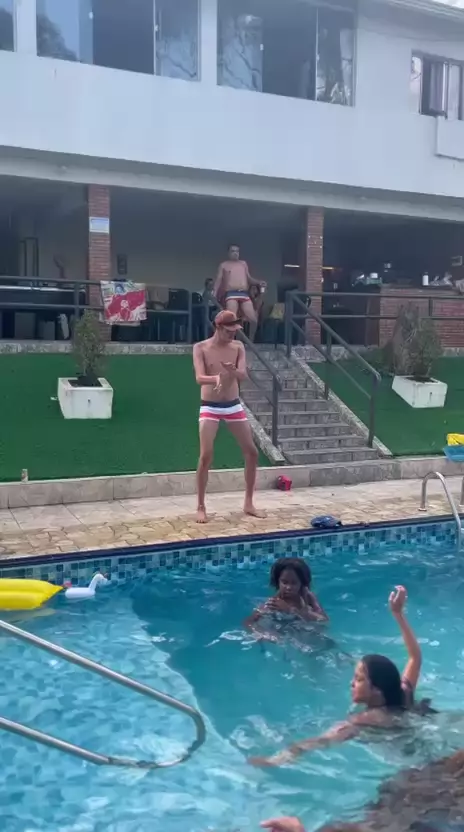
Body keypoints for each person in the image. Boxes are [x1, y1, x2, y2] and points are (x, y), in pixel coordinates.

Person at [250, 585, 422, 766]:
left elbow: (320, 741)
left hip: (412, 763)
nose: (352, 683)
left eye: (359, 679)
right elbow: (415, 657)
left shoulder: (365, 720)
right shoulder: (403, 693)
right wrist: (398, 614)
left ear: (377, 690)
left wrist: (273, 761)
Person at [193, 309, 264, 524]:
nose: (232, 334)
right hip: (210, 406)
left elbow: (243, 375)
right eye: (228, 331)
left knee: (252, 452)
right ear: (218, 327)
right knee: (206, 455)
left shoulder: (238, 347)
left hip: (233, 405)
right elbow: (199, 377)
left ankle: (249, 503)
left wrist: (233, 371)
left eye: (235, 331)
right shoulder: (201, 347)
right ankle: (201, 506)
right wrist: (214, 378)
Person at [244, 557, 328, 635]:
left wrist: (290, 610)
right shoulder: (275, 602)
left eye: (294, 583)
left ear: (302, 583)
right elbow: (248, 622)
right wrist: (260, 633)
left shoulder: (308, 596)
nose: (288, 587)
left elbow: (324, 621)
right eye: (284, 582)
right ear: (278, 582)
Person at [213, 244, 266, 337]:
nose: (235, 253)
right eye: (233, 251)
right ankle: (231, 340)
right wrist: (214, 292)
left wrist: (259, 282)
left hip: (244, 293)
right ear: (228, 253)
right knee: (232, 319)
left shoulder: (243, 264)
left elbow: (249, 278)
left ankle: (250, 341)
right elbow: (219, 280)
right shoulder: (224, 265)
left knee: (253, 319)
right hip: (231, 293)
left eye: (237, 251)